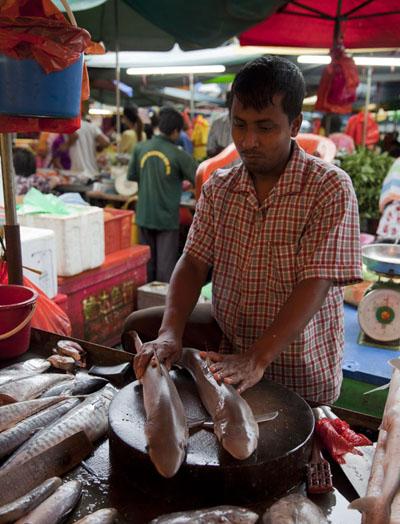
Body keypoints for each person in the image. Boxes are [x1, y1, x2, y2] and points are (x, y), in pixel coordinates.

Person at [126, 55, 363, 406]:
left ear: (295, 124)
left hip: (298, 366)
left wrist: (257, 357)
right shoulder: (220, 187)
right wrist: (170, 333)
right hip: (227, 346)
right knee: (140, 324)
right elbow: (193, 262)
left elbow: (317, 281)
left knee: (291, 445)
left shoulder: (328, 187)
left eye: (265, 128)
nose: (249, 141)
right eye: (240, 125)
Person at [127, 106, 198, 283]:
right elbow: (201, 178)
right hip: (166, 217)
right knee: (164, 272)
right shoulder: (179, 155)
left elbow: (132, 176)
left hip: (144, 215)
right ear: (176, 131)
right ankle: (161, 309)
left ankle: (144, 308)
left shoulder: (140, 148)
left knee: (146, 267)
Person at [67, 101, 110, 178]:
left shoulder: (71, 125)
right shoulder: (92, 127)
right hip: (92, 171)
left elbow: (75, 135)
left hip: (77, 171)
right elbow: (106, 142)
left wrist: (66, 145)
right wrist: (98, 147)